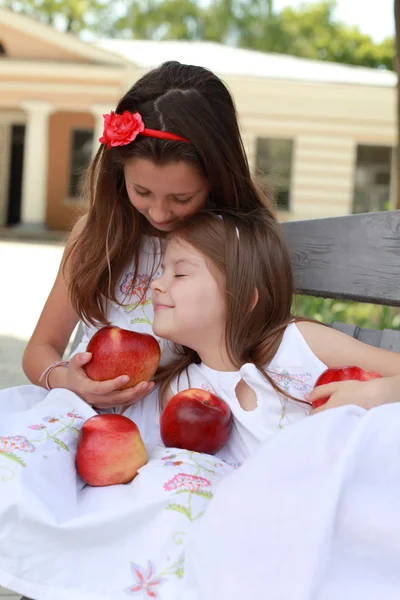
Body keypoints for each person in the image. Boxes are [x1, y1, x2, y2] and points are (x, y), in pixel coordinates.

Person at [1, 209, 400, 600]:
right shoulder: (178, 390)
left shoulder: (295, 345)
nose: (157, 285)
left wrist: (374, 394)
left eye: (179, 273)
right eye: (160, 272)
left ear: (244, 298)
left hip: (350, 503)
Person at [19, 59, 275, 412]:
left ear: (218, 178)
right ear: (118, 170)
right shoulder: (96, 236)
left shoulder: (231, 245)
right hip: (82, 415)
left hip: (180, 423)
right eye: (142, 191)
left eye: (181, 198)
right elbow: (40, 349)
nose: (158, 213)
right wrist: (66, 379)